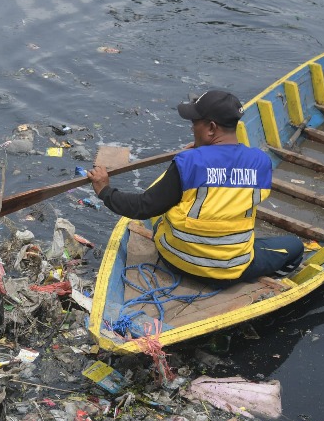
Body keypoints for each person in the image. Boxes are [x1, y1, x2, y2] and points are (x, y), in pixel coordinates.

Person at [86, 90, 304, 284]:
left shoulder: (189, 162)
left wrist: (105, 191)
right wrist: (201, 153)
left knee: (164, 213)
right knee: (295, 247)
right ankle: (258, 282)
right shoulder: (261, 162)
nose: (192, 128)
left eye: (194, 123)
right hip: (230, 270)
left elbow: (142, 207)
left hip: (177, 261)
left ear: (211, 128)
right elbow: (231, 173)